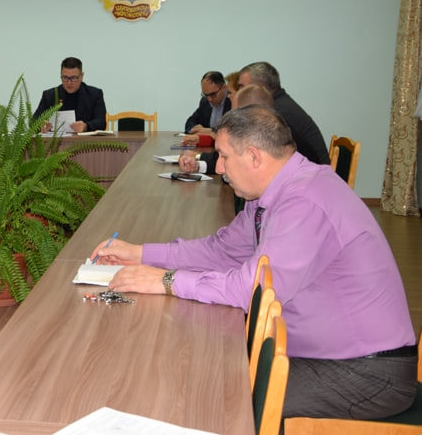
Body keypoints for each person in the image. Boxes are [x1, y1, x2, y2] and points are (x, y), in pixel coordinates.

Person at [93, 105, 416, 421]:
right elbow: (222, 251)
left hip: (365, 372)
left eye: (223, 156)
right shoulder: (272, 192)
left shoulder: (304, 200)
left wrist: (165, 281)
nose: (219, 168)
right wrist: (141, 253)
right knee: (197, 370)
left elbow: (251, 291)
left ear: (253, 156)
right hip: (317, 355)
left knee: (216, 403)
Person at [238, 61, 329, 165]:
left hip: (311, 171)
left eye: (242, 87)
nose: (238, 92)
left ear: (260, 87)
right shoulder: (280, 103)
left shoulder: (277, 112)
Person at [179, 84, 273, 174]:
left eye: (235, 114)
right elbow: (227, 159)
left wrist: (198, 154)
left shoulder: (262, 146)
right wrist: (198, 166)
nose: (228, 96)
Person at [33, 57, 106, 133]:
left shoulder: (94, 94)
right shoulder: (50, 95)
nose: (69, 83)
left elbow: (101, 122)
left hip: (84, 140)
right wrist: (41, 125)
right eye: (65, 77)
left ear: (81, 76)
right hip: (56, 140)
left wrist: (85, 126)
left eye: (73, 78)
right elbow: (33, 121)